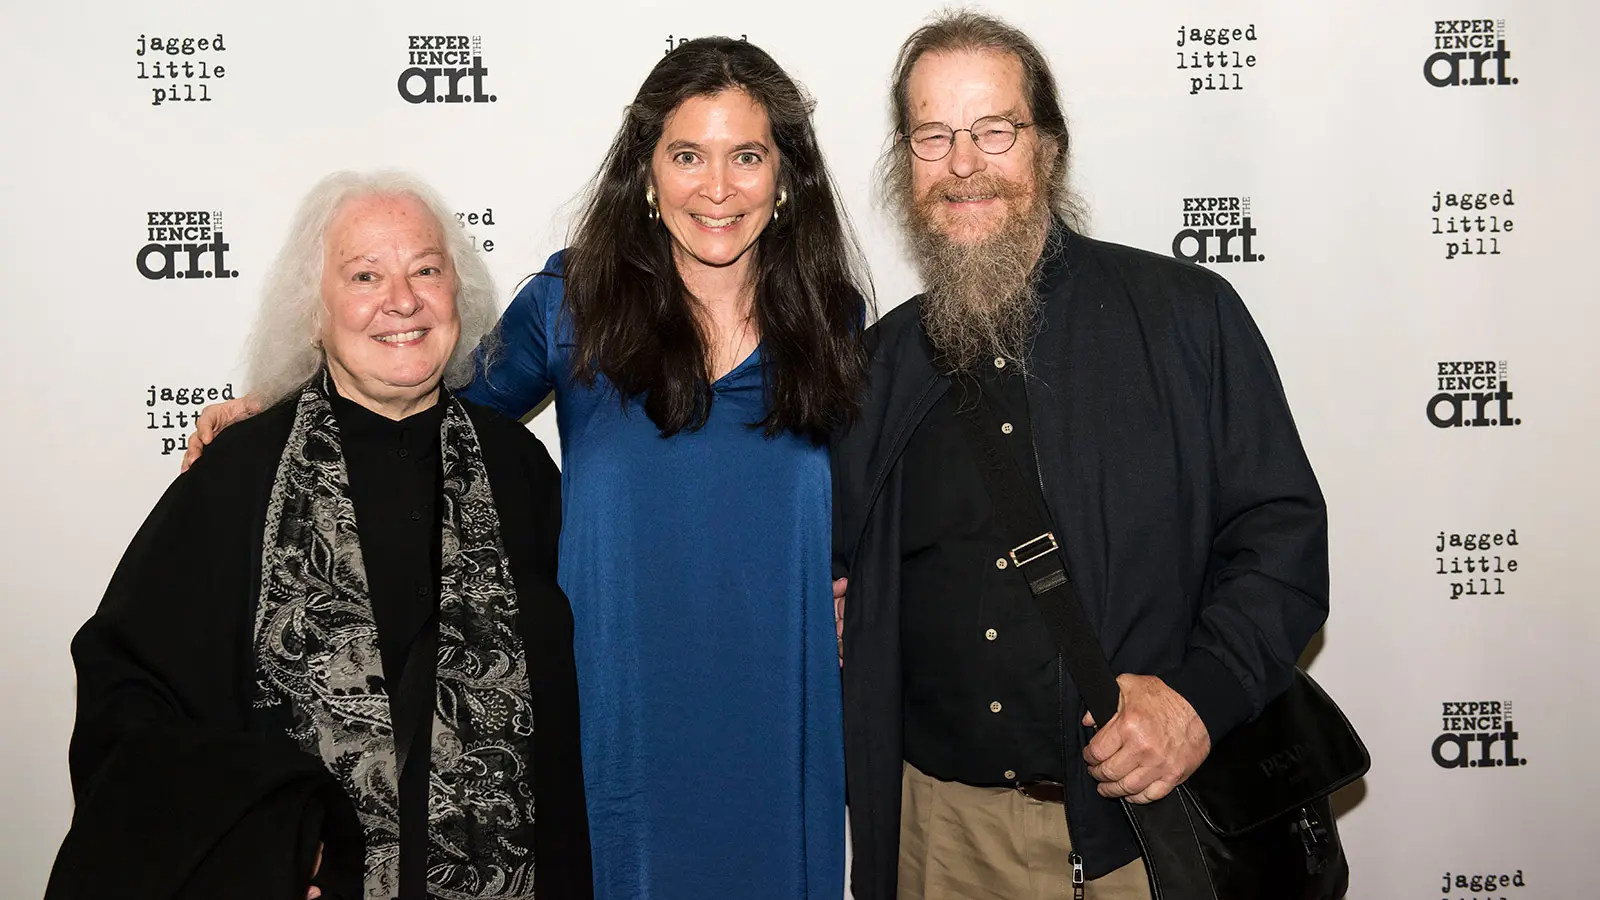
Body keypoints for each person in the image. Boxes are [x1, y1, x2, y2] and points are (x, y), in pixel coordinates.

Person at [182, 37, 868, 900]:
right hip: (615, 719)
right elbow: (414, 402)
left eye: (747, 157)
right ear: (648, 174)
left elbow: (865, 500)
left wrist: (851, 583)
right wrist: (273, 422)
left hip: (779, 718)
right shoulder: (572, 307)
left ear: (786, 177)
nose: (718, 187)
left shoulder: (831, 318)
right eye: (688, 155)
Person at [834, 12, 1329, 900]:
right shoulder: (879, 367)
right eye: (932, 136)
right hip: (939, 840)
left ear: (1048, 147)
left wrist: (1196, 700)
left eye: (993, 130)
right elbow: (833, 567)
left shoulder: (1187, 317)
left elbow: (1282, 543)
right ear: (904, 163)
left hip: (1138, 837)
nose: (963, 164)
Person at [48, 171, 592, 900]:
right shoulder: (240, 474)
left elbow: (580, 711)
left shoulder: (519, 469)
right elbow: (128, 702)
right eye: (365, 275)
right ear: (315, 312)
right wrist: (253, 859)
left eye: (425, 270)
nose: (401, 300)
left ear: (456, 294)